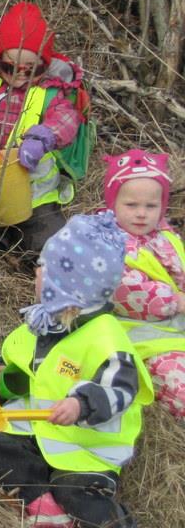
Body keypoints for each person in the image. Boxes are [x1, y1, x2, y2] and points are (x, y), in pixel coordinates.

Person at [0, 213, 151, 528]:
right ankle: (41, 506)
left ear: (71, 284)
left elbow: (120, 389)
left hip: (85, 447)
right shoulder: (46, 319)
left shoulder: (106, 337)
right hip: (38, 424)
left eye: (45, 268)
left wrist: (81, 403)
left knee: (77, 492)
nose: (37, 272)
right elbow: (23, 357)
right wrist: (1, 372)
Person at [0, 2, 82, 255]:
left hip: (33, 194)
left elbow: (66, 121)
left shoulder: (51, 94)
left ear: (45, 64)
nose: (20, 76)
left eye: (32, 69)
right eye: (10, 68)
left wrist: (42, 138)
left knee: (51, 245)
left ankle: (33, 256)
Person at [104, 150, 185, 420]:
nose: (141, 214)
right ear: (113, 202)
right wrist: (176, 301)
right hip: (142, 343)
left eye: (151, 207)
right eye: (131, 205)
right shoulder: (106, 243)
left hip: (176, 331)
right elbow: (127, 292)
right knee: (178, 383)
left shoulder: (165, 237)